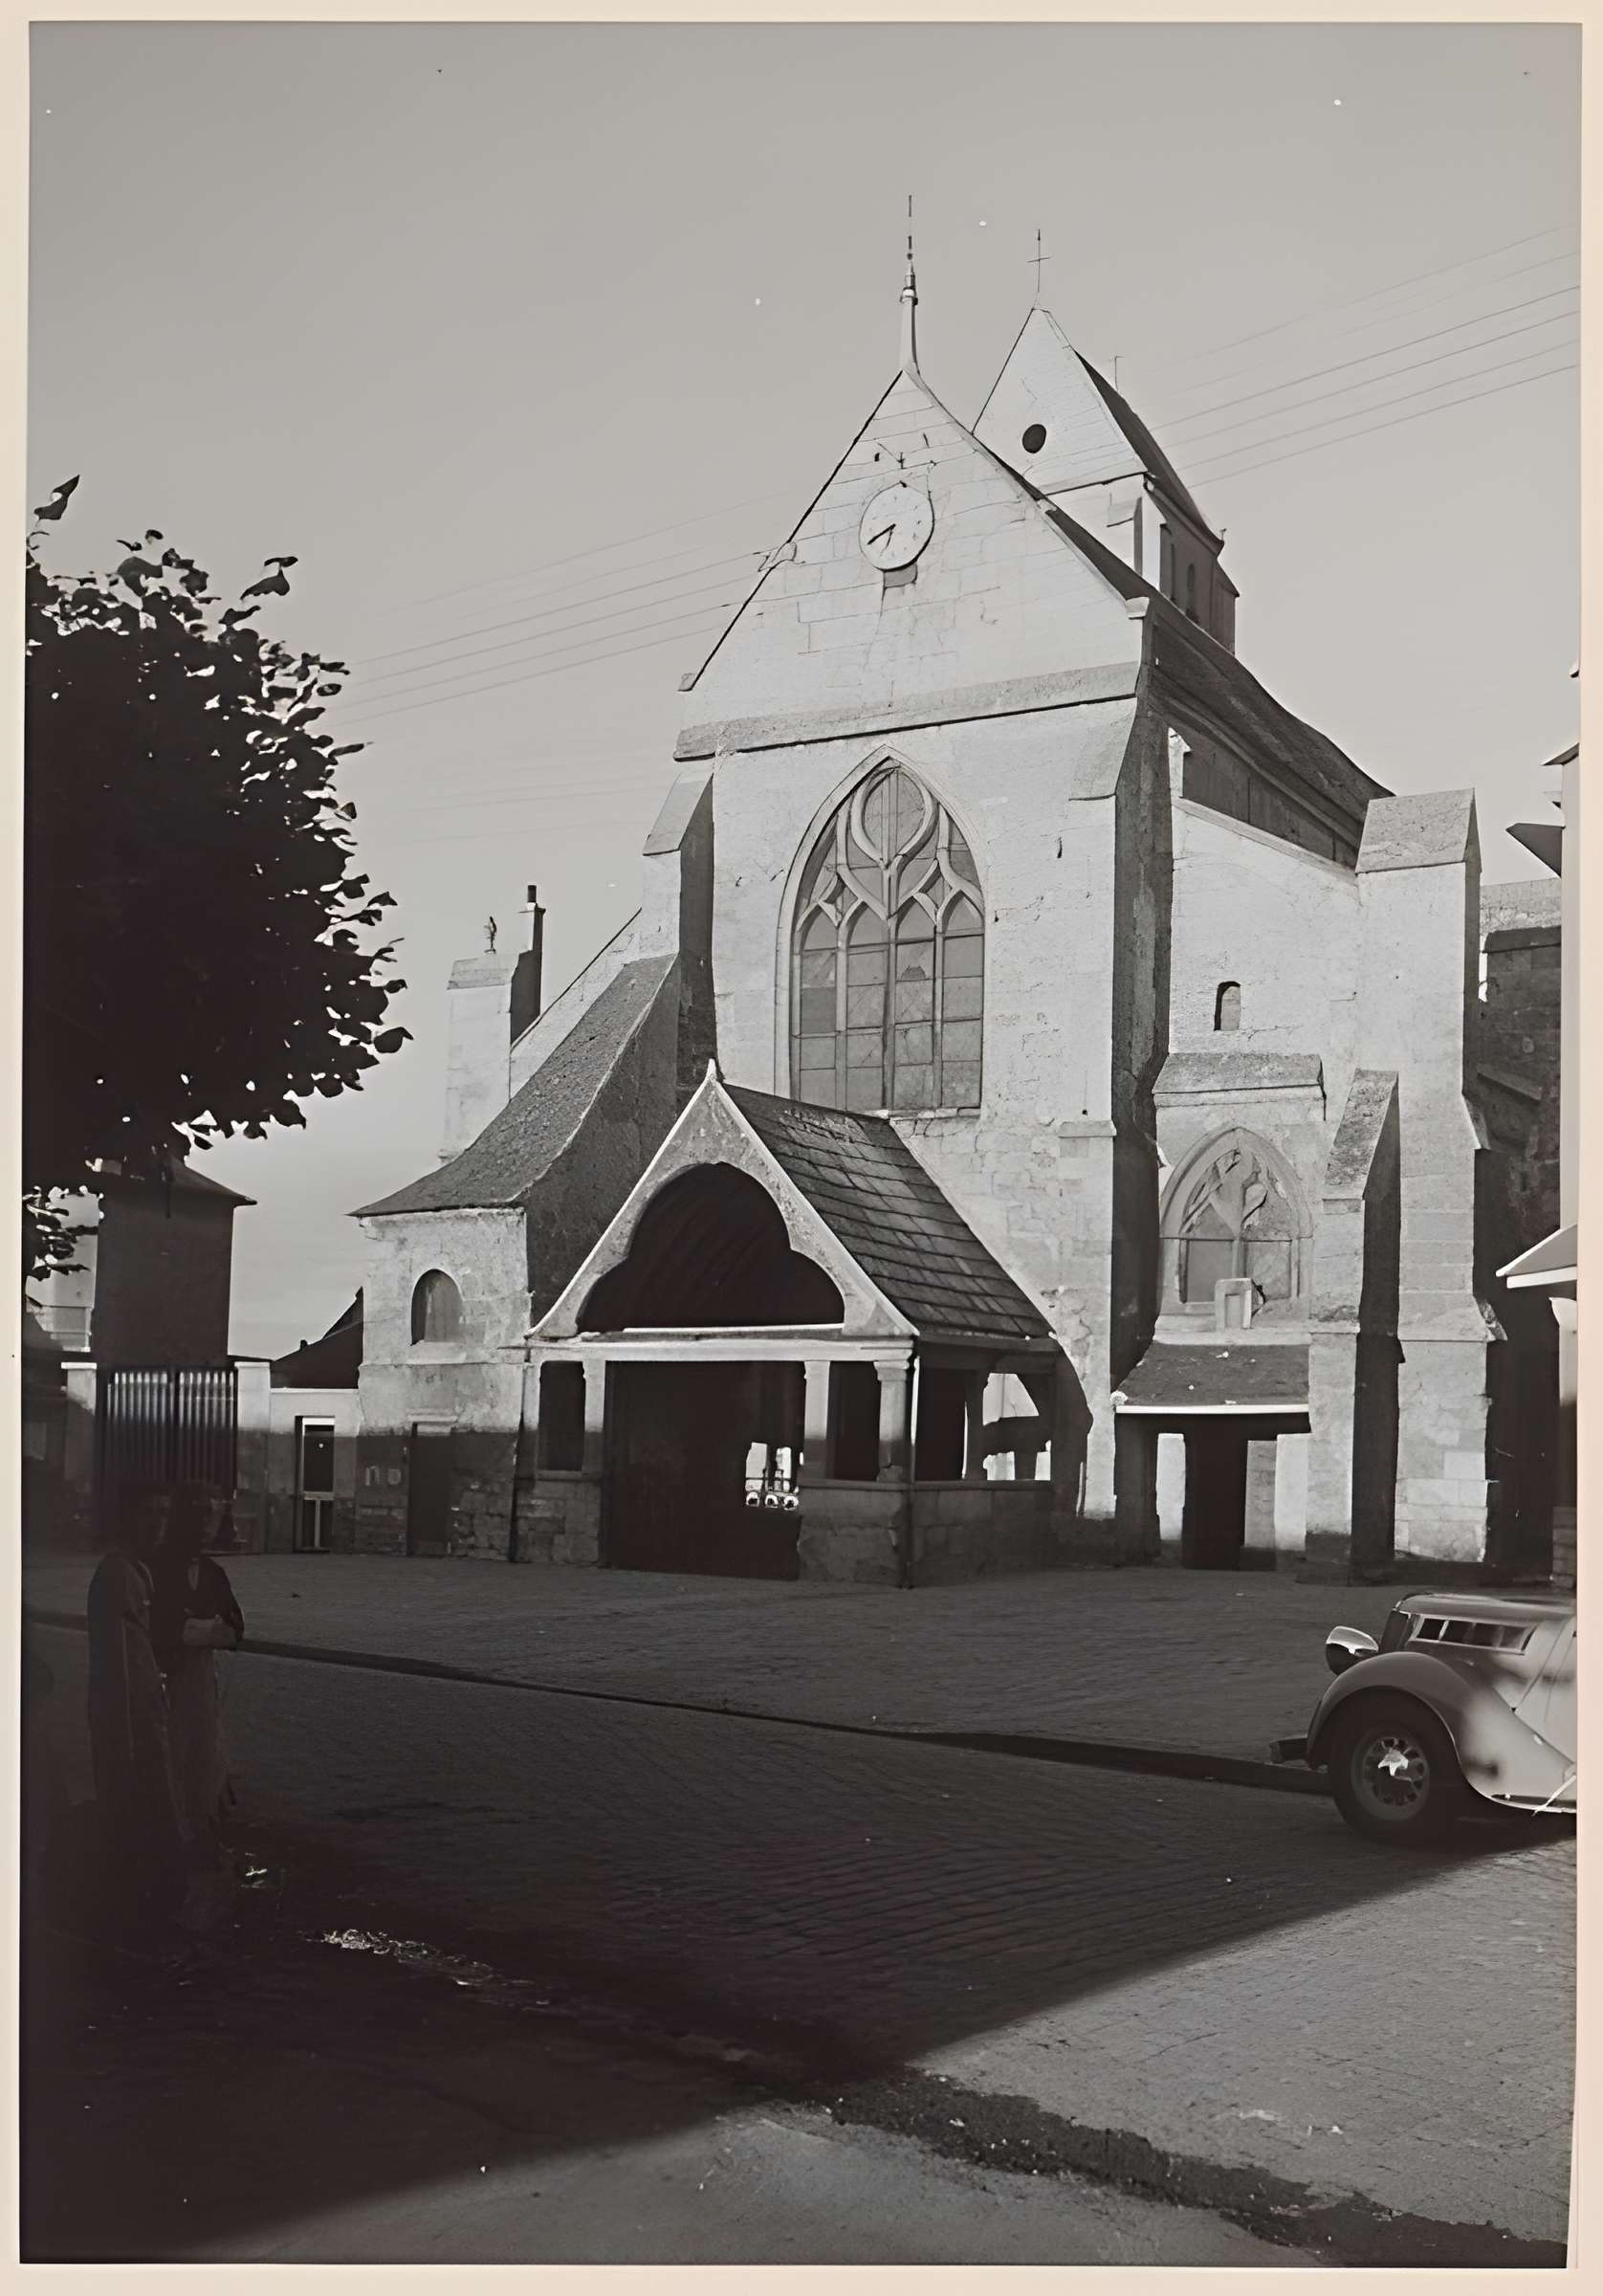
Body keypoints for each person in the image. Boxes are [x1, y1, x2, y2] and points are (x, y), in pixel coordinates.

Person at [85, 1483, 188, 1952]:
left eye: (164, 1512)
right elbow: (115, 1670)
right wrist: (123, 1745)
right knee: (147, 1832)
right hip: (131, 1732)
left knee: (153, 1830)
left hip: (147, 1722)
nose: (159, 1523)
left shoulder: (135, 1571)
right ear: (126, 1517)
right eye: (149, 1512)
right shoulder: (116, 1576)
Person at [150, 1484, 245, 1869]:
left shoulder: (212, 1573)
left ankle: (203, 1824)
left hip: (201, 1679)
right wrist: (196, 1629)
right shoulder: (156, 1568)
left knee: (204, 1748)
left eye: (212, 1516)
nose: (206, 1526)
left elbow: (235, 1627)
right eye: (198, 1517)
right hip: (162, 1677)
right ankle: (170, 1832)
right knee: (168, 1752)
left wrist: (195, 1629)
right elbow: (156, 1627)